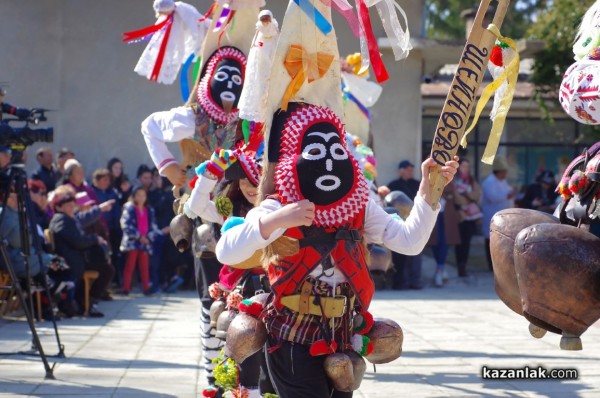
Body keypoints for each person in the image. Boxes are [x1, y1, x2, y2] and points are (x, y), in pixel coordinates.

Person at [49, 190, 109, 317]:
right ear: (59, 207)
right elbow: (77, 242)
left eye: (73, 205)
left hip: (75, 260)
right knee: (106, 270)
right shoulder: (61, 220)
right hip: (70, 262)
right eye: (68, 205)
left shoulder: (68, 219)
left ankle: (87, 303)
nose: (72, 208)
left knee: (106, 268)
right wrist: (94, 239)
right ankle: (87, 303)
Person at [385, 160, 423, 290]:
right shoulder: (393, 185)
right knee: (399, 255)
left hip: (415, 221)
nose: (410, 171)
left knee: (416, 252)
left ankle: (415, 281)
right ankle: (399, 283)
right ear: (401, 170)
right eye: (407, 169)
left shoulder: (417, 184)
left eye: (411, 169)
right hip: (398, 223)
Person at [120, 185, 162, 295]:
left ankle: (146, 288)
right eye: (138, 195)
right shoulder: (129, 208)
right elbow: (126, 225)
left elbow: (154, 226)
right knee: (130, 265)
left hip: (145, 242)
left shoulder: (149, 209)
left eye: (143, 195)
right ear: (134, 196)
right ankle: (126, 288)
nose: (141, 197)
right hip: (133, 242)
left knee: (144, 266)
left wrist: (148, 238)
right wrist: (139, 237)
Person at [481, 156, 515, 271]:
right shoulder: (489, 182)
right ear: (499, 172)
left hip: (505, 216)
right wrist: (508, 196)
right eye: (504, 172)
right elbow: (493, 197)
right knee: (490, 240)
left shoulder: (503, 181)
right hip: (492, 215)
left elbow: (508, 192)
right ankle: (491, 265)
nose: (505, 174)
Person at [427, 183, 461, 287]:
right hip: (433, 215)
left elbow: (456, 196)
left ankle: (439, 270)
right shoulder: (430, 176)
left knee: (444, 243)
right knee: (434, 244)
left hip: (446, 216)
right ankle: (440, 269)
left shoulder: (451, 179)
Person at [453, 159, 482, 278]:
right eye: (464, 166)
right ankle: (458, 265)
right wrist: (465, 199)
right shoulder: (454, 180)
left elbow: (477, 194)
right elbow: (455, 196)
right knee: (458, 242)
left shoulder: (471, 180)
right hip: (459, 214)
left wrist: (467, 196)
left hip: (470, 216)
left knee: (467, 242)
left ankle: (463, 265)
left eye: (467, 166)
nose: (466, 168)